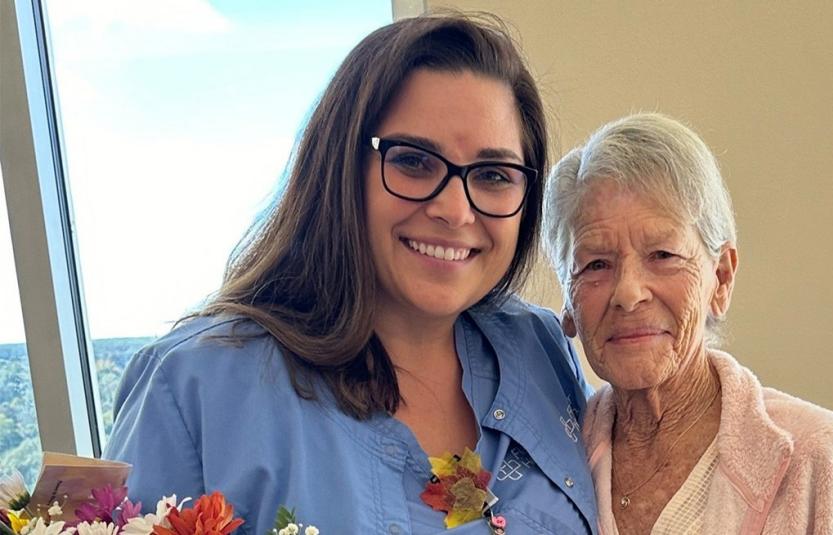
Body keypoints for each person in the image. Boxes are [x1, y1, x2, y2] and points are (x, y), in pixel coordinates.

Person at [106, 14, 598, 534]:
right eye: (413, 161)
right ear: (340, 168)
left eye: (494, 175)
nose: (456, 211)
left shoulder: (541, 346)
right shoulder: (196, 390)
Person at [542, 113, 833, 534]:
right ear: (567, 302)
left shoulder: (816, 457)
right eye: (596, 264)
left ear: (721, 277)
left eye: (663, 255)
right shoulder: (545, 462)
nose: (629, 293)